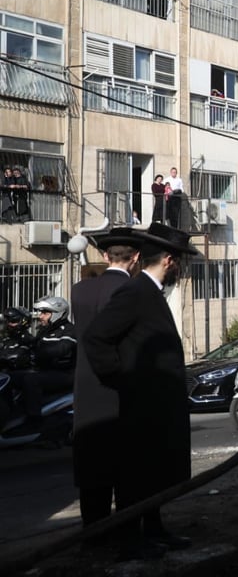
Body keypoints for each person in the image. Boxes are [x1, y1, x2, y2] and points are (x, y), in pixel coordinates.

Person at [83, 221, 199, 561]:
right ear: (168, 260)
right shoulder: (135, 292)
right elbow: (97, 338)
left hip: (159, 406)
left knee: (156, 474)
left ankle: (154, 528)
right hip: (143, 406)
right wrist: (125, 379)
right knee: (137, 476)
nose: (180, 268)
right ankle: (132, 539)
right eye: (179, 261)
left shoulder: (151, 292)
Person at [71, 227, 142, 530]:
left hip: (86, 392)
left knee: (92, 467)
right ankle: (128, 531)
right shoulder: (135, 293)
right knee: (126, 468)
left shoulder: (79, 290)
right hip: (121, 391)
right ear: (136, 258)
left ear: (104, 256)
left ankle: (93, 529)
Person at [15, 296, 76, 420]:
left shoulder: (70, 330)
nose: (40, 316)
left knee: (31, 380)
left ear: (58, 313)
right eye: (40, 312)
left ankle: (33, 421)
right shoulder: (44, 330)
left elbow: (62, 348)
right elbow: (32, 346)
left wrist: (38, 354)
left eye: (45, 313)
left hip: (64, 374)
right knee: (10, 377)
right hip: (44, 371)